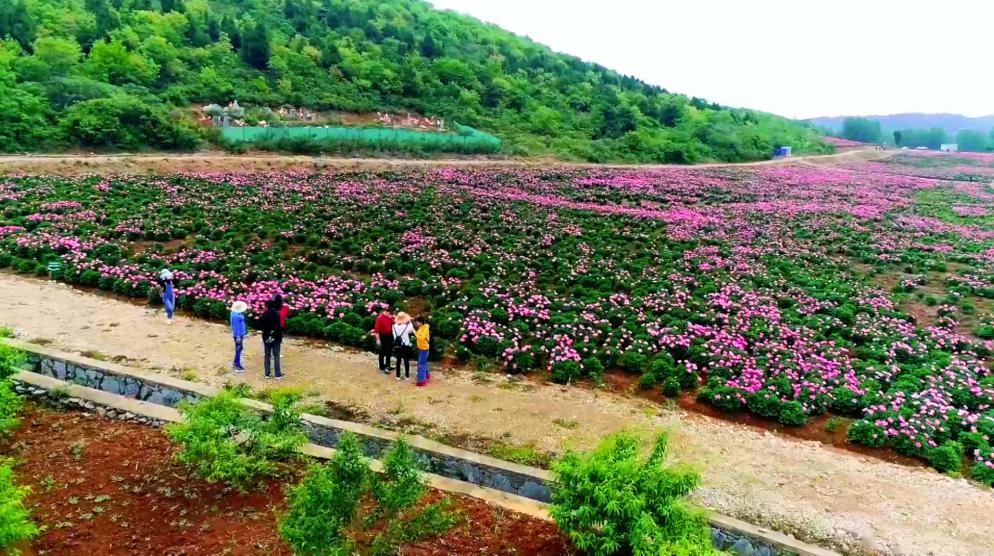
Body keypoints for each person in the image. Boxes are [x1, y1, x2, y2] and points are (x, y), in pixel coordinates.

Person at [260, 299, 283, 380]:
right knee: (276, 355)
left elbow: (261, 325)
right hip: (275, 337)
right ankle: (277, 374)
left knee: (267, 355)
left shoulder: (264, 314)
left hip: (266, 336)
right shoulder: (277, 314)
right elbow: (278, 326)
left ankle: (267, 373)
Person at [392, 312, 415, 381]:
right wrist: (409, 321)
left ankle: (397, 376)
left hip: (397, 345)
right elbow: (411, 330)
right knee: (406, 360)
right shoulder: (406, 326)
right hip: (405, 345)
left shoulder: (393, 326)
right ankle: (407, 376)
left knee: (398, 360)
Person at [372, 308, 394, 373]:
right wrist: (378, 340)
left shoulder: (389, 317)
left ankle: (388, 365)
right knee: (382, 352)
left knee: (389, 352)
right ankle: (381, 366)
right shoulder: (379, 319)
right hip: (383, 336)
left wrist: (392, 318)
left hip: (389, 335)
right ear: (386, 312)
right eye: (389, 313)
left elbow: (393, 323)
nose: (389, 315)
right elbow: (376, 331)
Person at [230, 301, 248, 373]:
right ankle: (237, 365)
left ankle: (235, 362)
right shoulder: (235, 316)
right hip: (238, 335)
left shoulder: (236, 313)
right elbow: (235, 327)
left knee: (240, 348)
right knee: (238, 349)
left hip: (241, 334)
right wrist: (237, 336)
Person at [414, 318, 431, 386]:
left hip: (424, 349)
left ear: (421, 322)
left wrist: (414, 332)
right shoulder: (420, 327)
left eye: (417, 322)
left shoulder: (425, 328)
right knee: (423, 362)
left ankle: (421, 381)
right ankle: (427, 376)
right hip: (421, 348)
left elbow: (421, 338)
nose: (416, 323)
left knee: (421, 364)